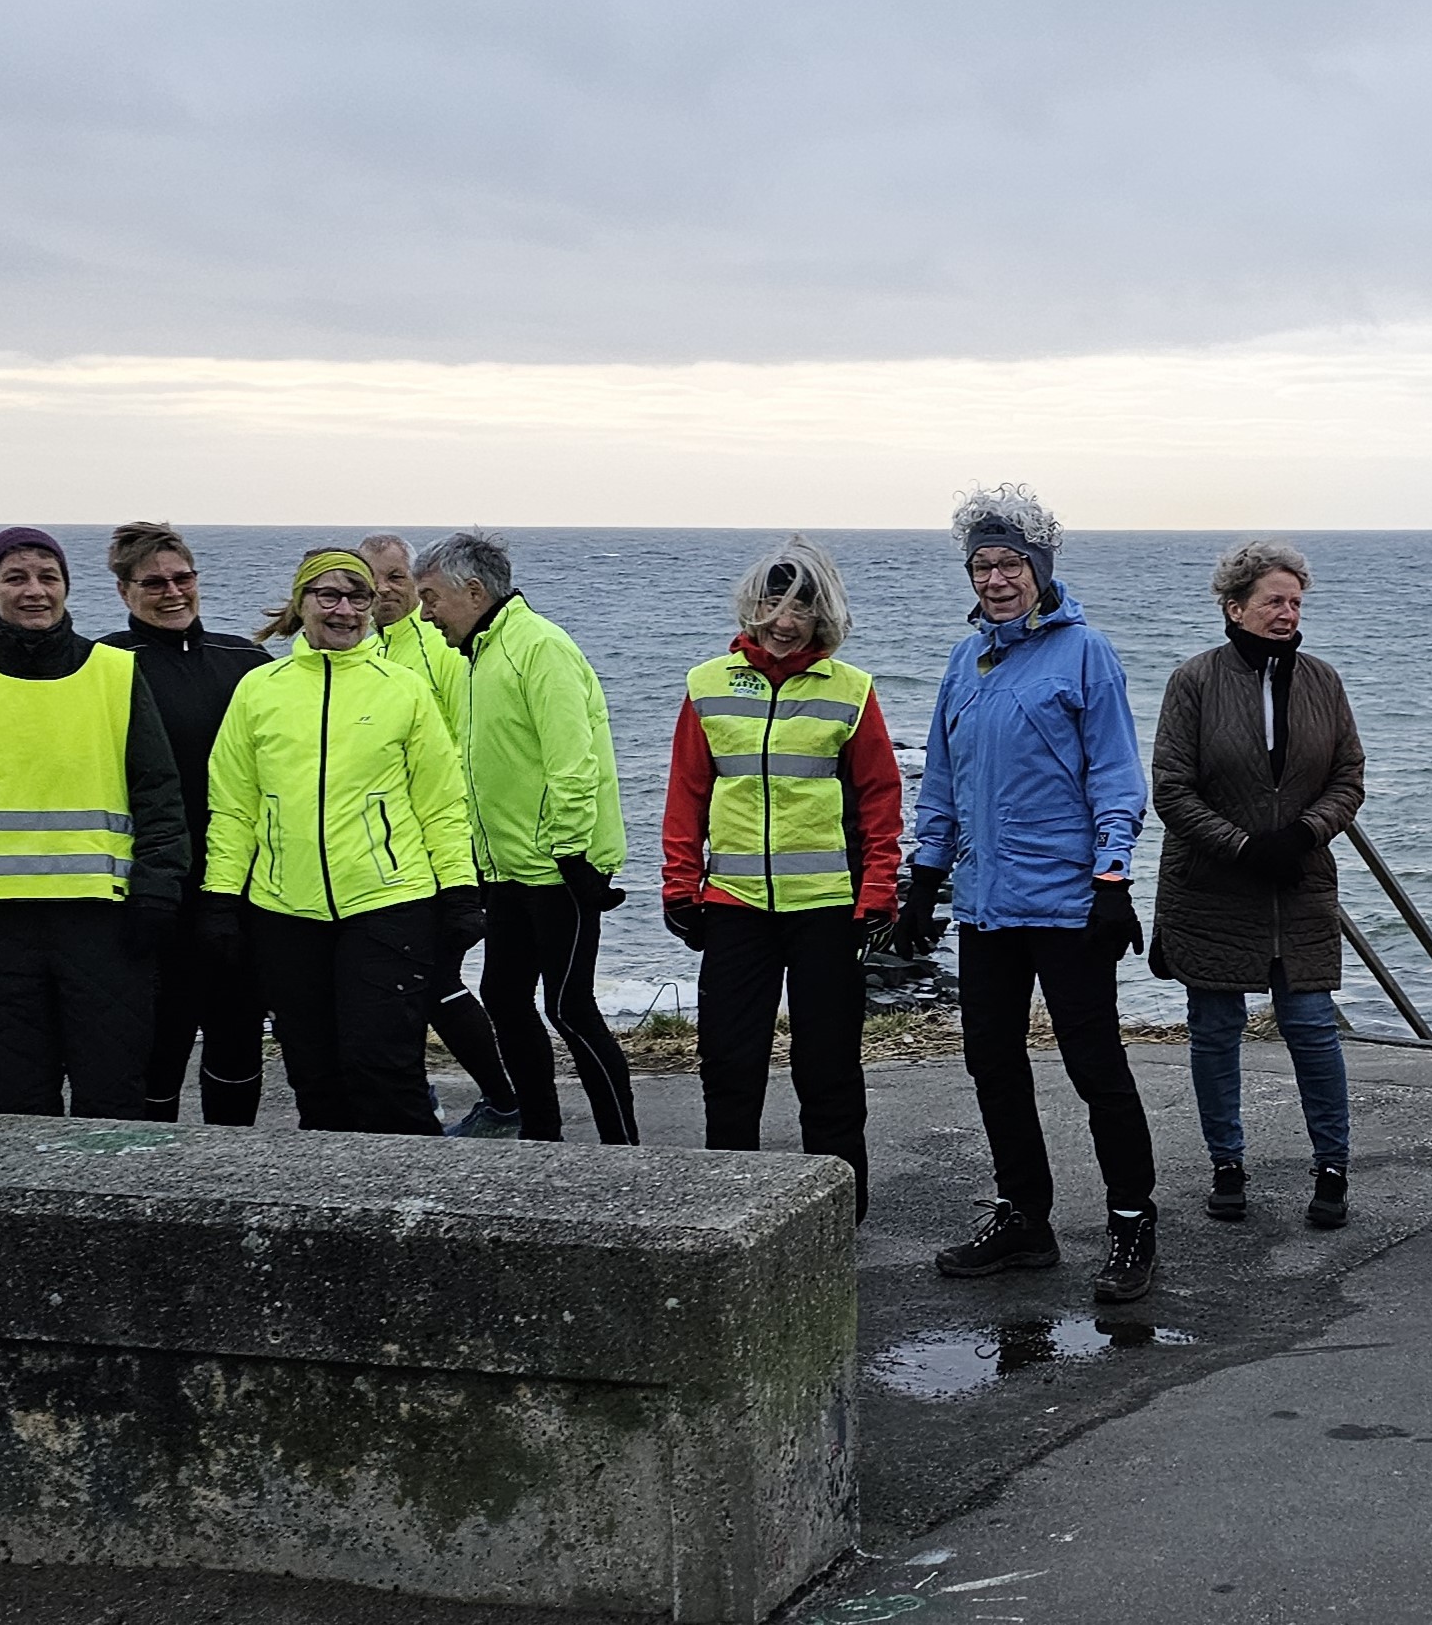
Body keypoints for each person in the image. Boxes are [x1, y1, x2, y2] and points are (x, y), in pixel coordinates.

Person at [894, 486, 1157, 1301]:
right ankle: (1024, 1219)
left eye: (1010, 564)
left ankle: (1131, 1223)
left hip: (1069, 903)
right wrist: (924, 878)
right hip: (985, 905)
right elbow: (942, 781)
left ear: (1039, 569)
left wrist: (1113, 880)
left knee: (1096, 1068)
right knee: (993, 1064)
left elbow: (1117, 776)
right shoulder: (964, 662)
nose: (996, 579)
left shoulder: (1086, 653)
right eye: (982, 565)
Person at [0, 527, 189, 1118]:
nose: (34, 591)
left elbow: (159, 795)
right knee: (13, 1106)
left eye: (48, 577)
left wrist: (157, 894)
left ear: (66, 587)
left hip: (105, 927)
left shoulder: (115, 672)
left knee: (112, 1102)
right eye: (16, 578)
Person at [661, 537, 903, 1220]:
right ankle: (729, 1201)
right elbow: (687, 794)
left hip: (827, 909)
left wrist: (878, 891)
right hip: (734, 905)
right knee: (729, 1063)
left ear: (823, 614)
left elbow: (880, 799)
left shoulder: (851, 690)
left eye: (801, 607)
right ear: (753, 606)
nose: (784, 621)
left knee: (827, 1069)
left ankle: (838, 1209)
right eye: (773, 604)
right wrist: (679, 885)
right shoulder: (707, 684)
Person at [202, 549, 480, 1134]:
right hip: (284, 912)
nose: (345, 610)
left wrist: (459, 891)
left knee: (383, 1068)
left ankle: (415, 1186)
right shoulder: (259, 690)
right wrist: (221, 898)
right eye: (328, 595)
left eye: (358, 597)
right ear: (301, 604)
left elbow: (440, 802)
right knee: (315, 1076)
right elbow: (234, 808)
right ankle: (330, 1191)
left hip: (388, 904)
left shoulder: (402, 689)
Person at [1151, 539, 1366, 1229]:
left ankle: (1332, 1168)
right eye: (1273, 600)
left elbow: (1349, 777)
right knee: (1215, 1030)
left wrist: (1302, 835)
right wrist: (1244, 847)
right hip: (1212, 886)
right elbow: (1172, 790)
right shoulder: (1194, 681)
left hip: (1299, 881)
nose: (1287, 613)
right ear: (1235, 607)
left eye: (1295, 602)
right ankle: (1227, 1165)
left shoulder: (1323, 682)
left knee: (1311, 1027)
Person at [414, 530, 638, 1145]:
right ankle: (542, 1137)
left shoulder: (539, 647)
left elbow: (574, 761)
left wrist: (571, 854)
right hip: (507, 868)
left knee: (569, 1008)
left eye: (431, 598)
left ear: (473, 591)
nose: (425, 614)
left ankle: (623, 1148)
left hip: (562, 870)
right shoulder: (479, 655)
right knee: (504, 999)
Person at [98, 521, 273, 1125]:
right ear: (124, 591)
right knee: (157, 1045)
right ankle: (151, 1168)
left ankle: (230, 1162)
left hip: (239, 891)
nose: (173, 592)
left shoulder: (246, 661)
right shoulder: (105, 666)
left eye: (183, 578)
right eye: (154, 583)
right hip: (150, 891)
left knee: (237, 1037)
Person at [360, 531, 519, 1139]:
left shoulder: (440, 647)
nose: (384, 590)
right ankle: (414, 1094)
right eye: (372, 578)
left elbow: (467, 747)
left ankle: (503, 1101)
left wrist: (459, 850)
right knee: (399, 980)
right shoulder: (361, 651)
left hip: (444, 847)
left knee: (431, 981)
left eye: (397, 577)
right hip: (383, 852)